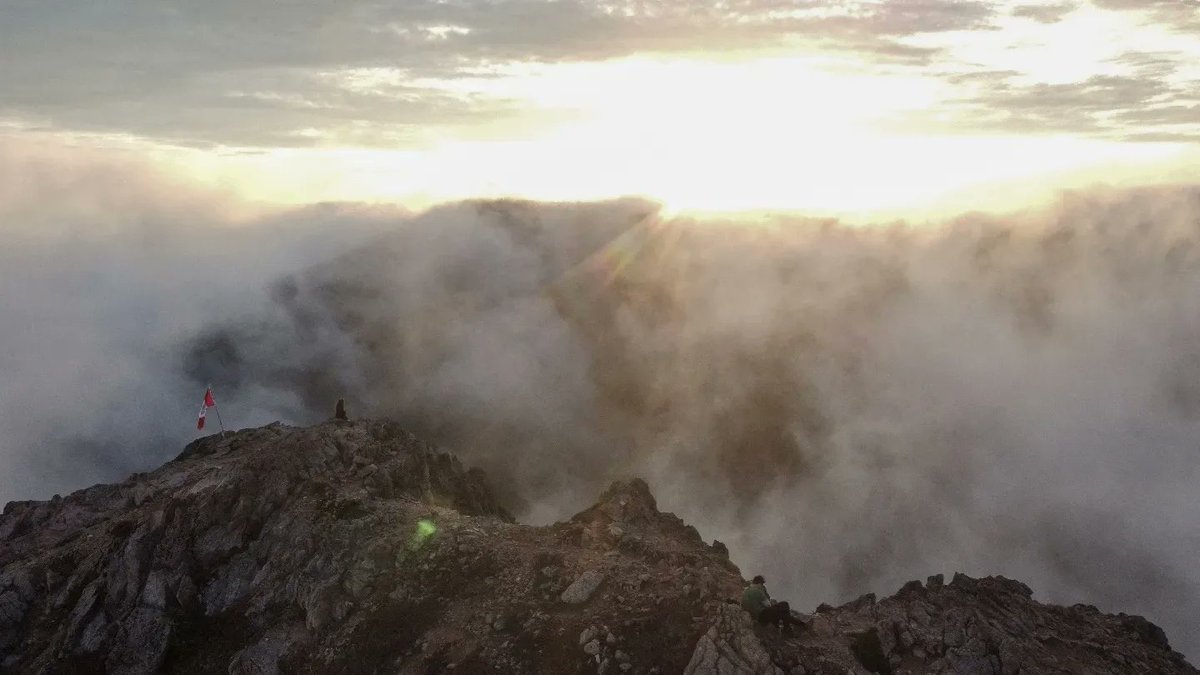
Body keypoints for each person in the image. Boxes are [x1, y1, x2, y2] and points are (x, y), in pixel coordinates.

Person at [742, 575, 806, 634]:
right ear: (759, 583)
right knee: (785, 604)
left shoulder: (746, 591)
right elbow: (768, 604)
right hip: (760, 616)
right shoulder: (757, 591)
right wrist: (764, 591)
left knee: (782, 613)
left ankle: (791, 627)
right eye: (762, 584)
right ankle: (792, 627)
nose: (763, 585)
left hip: (753, 616)